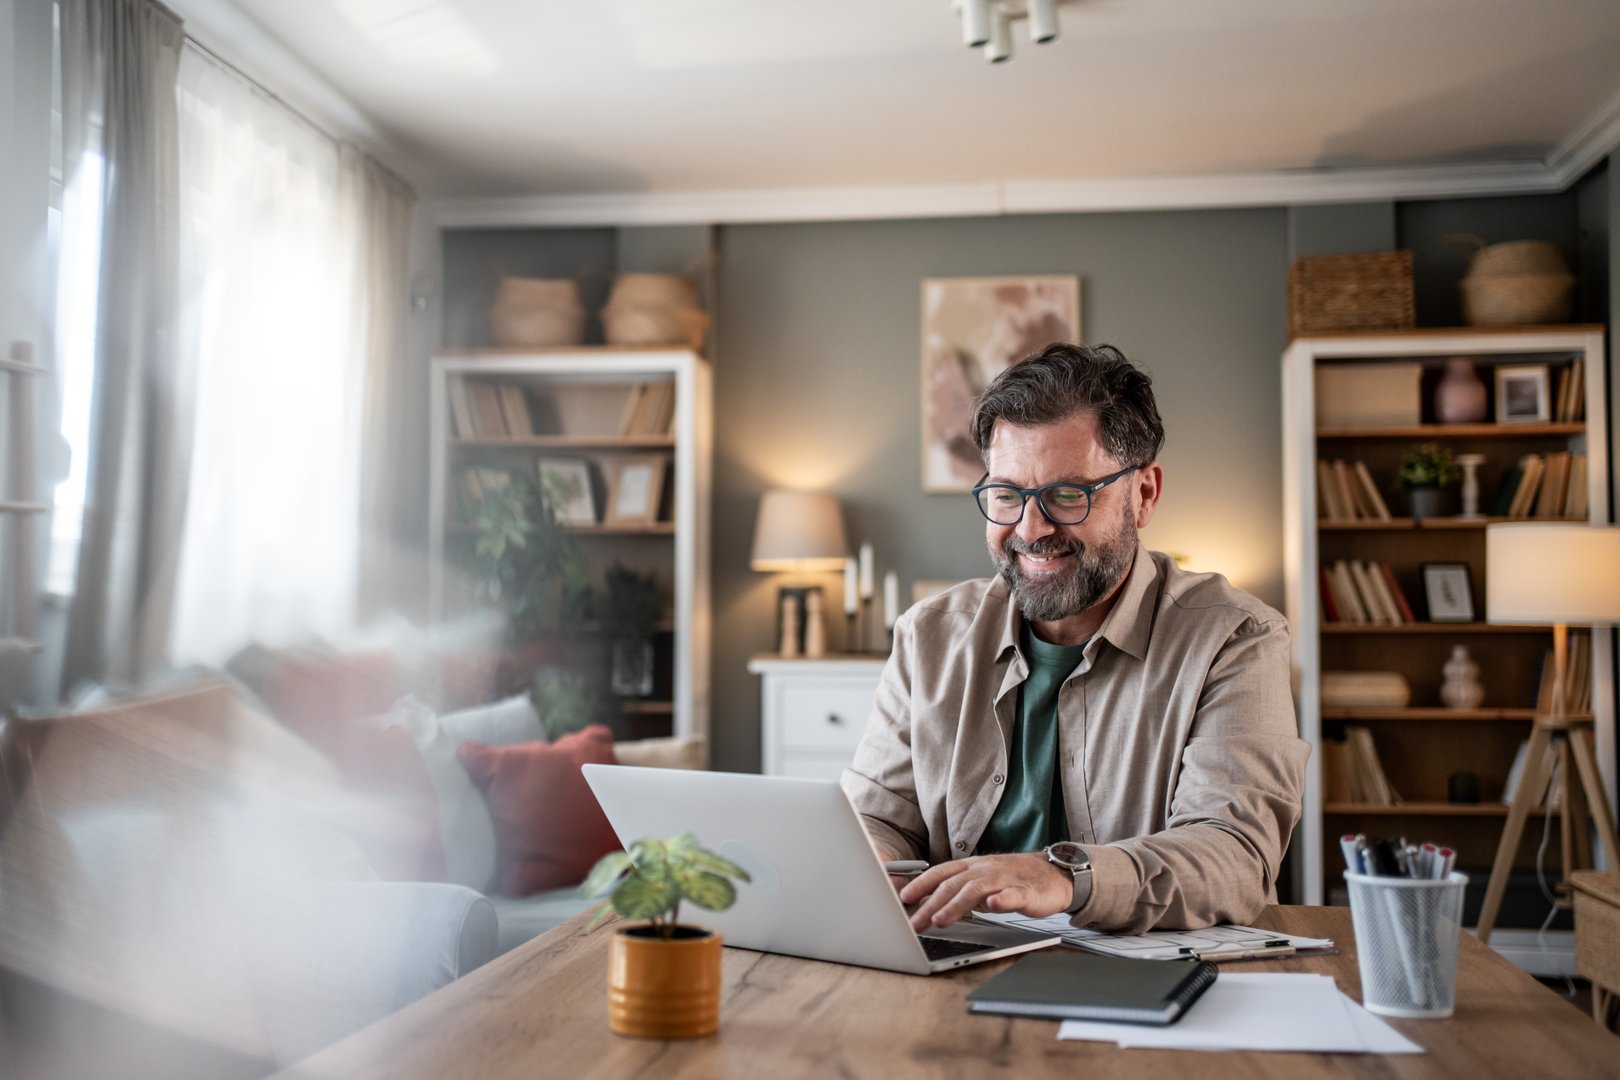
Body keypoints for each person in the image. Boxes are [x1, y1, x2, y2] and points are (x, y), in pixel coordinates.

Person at [842, 342, 1308, 935]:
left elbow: (1234, 854)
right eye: (1007, 495)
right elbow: (875, 818)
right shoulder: (928, 637)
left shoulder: (1236, 639)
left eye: (1068, 495)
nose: (1031, 530)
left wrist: (1062, 878)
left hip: (1142, 982)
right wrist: (873, 863)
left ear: (1144, 494)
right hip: (955, 964)